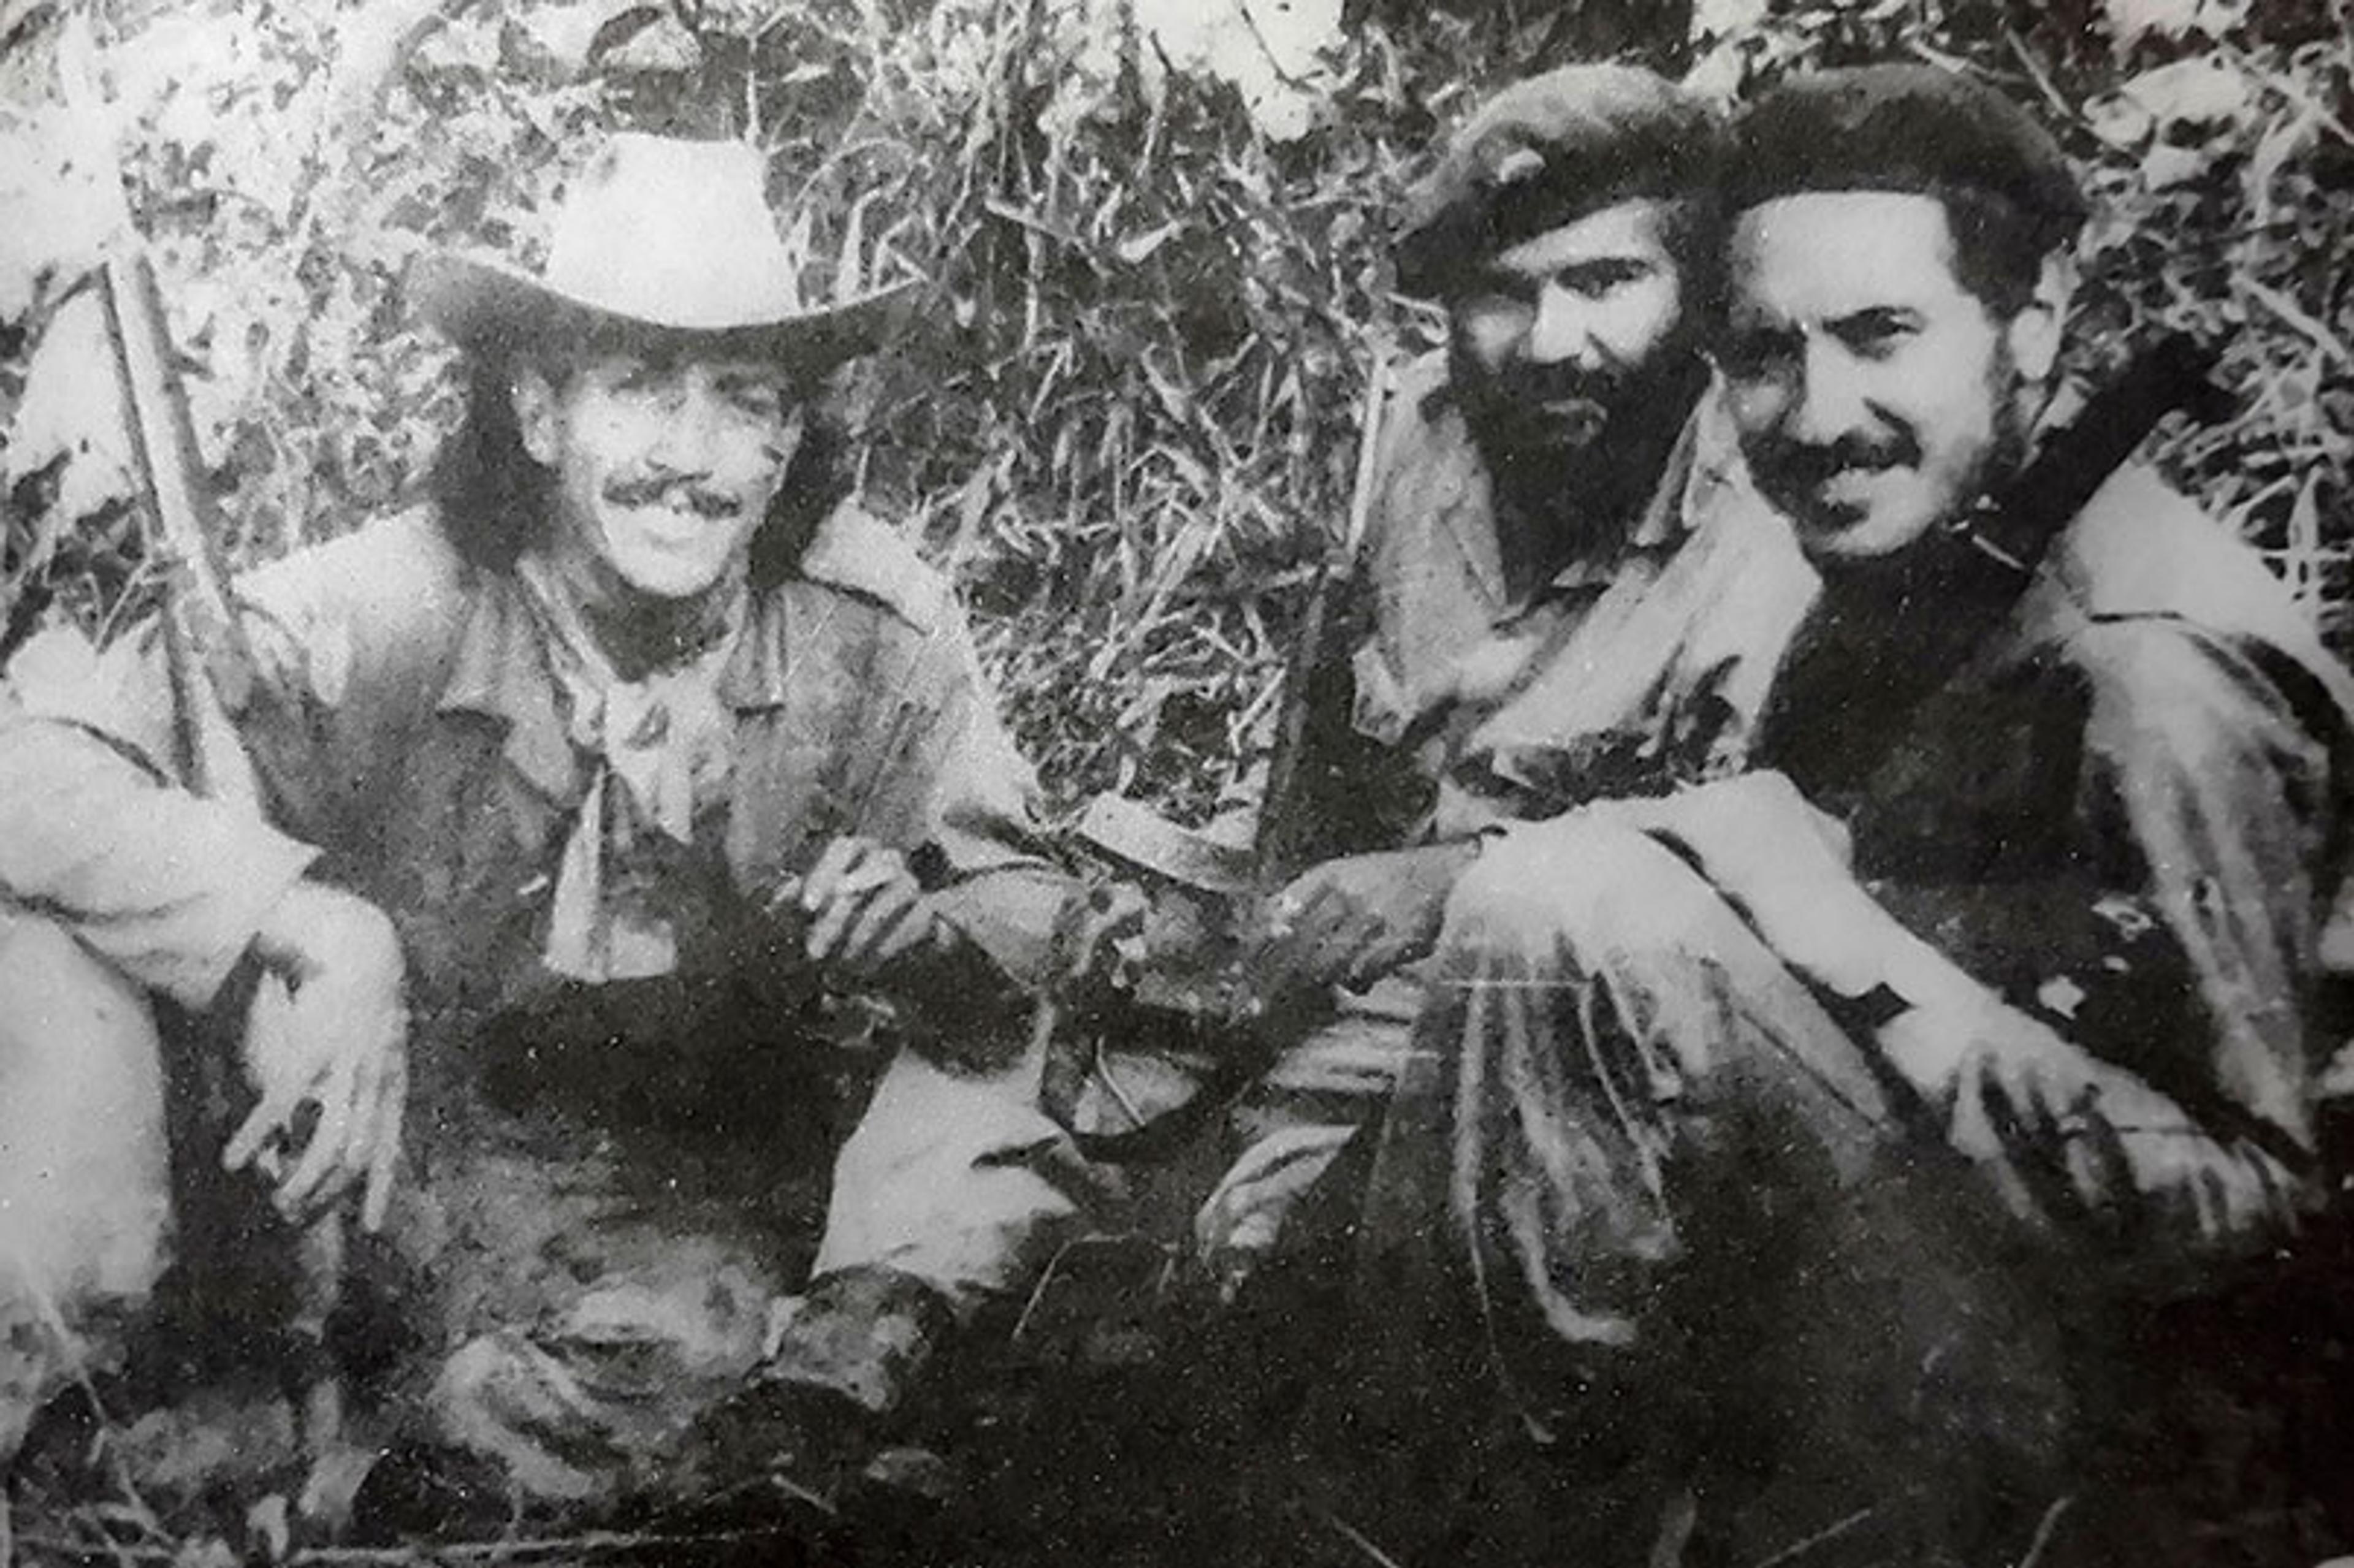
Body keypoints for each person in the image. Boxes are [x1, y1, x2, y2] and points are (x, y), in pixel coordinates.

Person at [0, 132, 1092, 1517]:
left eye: (742, 398)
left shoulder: (869, 634)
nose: (688, 457)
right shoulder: (393, 606)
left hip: (687, 1214)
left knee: (706, 1378)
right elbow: (28, 774)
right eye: (636, 389)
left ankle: (491, 1468)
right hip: (378, 1182)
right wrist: (310, 919)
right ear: (538, 412)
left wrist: (927, 934)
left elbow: (1028, 920)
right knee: (37, 972)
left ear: (789, 436)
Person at [1359, 65, 2354, 1564]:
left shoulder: (2150, 663)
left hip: (2141, 1430)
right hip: (1965, 1276)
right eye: (1764, 355)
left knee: (1572, 914)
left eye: (1883, 335)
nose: (1819, 416)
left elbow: (2252, 1222)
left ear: (2032, 326)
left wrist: (1831, 928)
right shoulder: (1927, 556)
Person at [1179, 64, 1816, 1278]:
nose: (1551, 345)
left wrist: (1450, 879)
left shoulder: (1777, 514)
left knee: (1312, 1265)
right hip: (1353, 1010)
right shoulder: (1423, 447)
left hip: (1608, 1031)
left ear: (1701, 296)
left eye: (1608, 281)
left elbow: (1774, 880)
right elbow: (1341, 764)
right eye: (1501, 295)